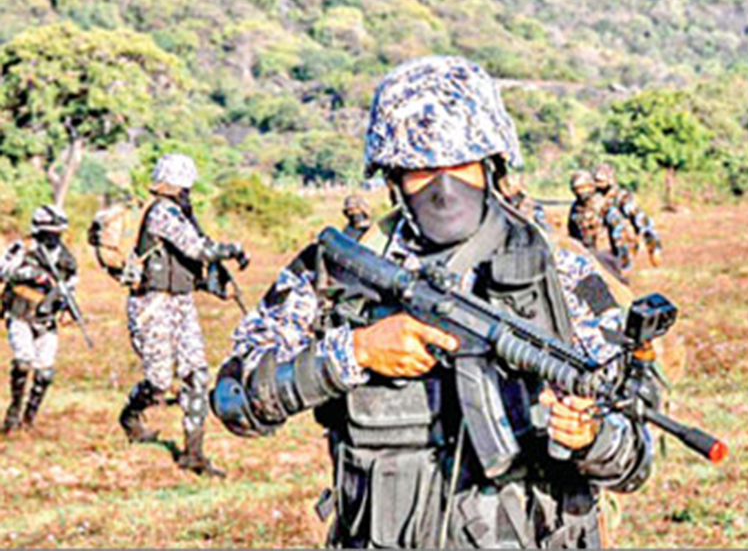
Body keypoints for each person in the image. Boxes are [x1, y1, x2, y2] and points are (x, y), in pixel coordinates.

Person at [213, 56, 654, 548]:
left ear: (493, 164)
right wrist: (351, 353)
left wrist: (590, 438)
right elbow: (235, 401)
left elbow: (637, 458)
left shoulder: (562, 273)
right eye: (421, 168)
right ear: (391, 177)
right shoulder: (338, 271)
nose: (444, 188)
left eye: (461, 163)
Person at [119, 153, 248, 477]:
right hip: (152, 302)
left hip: (180, 301)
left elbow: (189, 267)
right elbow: (197, 249)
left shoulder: (179, 213)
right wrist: (233, 249)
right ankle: (131, 415)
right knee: (160, 381)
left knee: (196, 373)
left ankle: (193, 453)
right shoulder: (162, 213)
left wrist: (218, 287)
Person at [1, 205, 76, 434]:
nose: (54, 237)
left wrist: (65, 307)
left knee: (45, 372)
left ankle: (29, 418)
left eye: (57, 232)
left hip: (47, 319)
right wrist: (33, 274)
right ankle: (14, 411)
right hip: (20, 312)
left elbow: (71, 287)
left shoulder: (66, 258)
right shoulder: (22, 248)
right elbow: (3, 270)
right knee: (24, 361)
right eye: (49, 232)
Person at [593, 165, 662, 268]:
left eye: (600, 181)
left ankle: (625, 262)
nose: (597, 184)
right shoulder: (594, 197)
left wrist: (652, 246)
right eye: (595, 181)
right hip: (601, 240)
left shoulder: (621, 196)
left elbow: (640, 218)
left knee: (614, 216)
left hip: (623, 239)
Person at [568, 171, 632, 271]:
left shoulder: (603, 204)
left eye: (585, 187)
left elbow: (619, 231)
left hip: (606, 255)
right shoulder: (575, 209)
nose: (582, 192)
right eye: (578, 189)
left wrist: (623, 260)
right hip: (586, 254)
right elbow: (572, 234)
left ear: (592, 187)